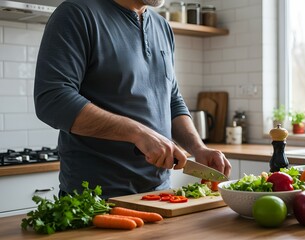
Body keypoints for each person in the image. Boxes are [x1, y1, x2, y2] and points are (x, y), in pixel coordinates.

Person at [34, 0, 231, 199]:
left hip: (159, 195)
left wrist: (198, 148)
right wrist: (137, 133)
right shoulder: (77, 13)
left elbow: (171, 99)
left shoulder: (162, 26)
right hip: (95, 198)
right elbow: (52, 99)